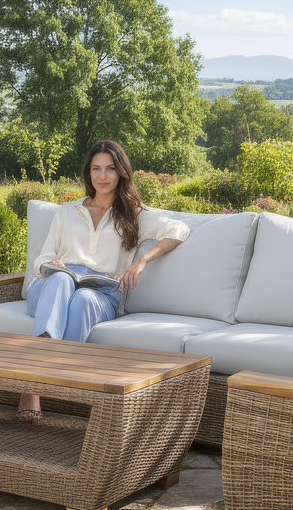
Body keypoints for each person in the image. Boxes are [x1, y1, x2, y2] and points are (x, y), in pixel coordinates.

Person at [17, 139, 190, 422]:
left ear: (121, 172)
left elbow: (179, 230)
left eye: (110, 168)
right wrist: (54, 266)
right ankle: (33, 383)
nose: (103, 176)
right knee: (62, 282)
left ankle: (56, 384)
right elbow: (43, 258)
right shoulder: (67, 211)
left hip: (99, 291)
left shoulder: (133, 214)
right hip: (52, 286)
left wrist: (141, 260)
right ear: (88, 173)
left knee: (84, 298)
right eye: (96, 168)